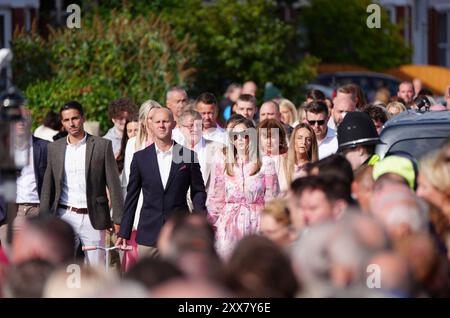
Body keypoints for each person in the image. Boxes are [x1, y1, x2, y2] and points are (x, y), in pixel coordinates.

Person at [39, 101, 124, 266]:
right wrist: (43, 218)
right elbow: (48, 187)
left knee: (97, 266)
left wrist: (118, 218)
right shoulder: (54, 148)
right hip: (64, 215)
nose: (71, 123)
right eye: (66, 120)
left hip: (93, 217)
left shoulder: (101, 146)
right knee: (64, 265)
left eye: (75, 118)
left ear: (83, 118)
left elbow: (114, 184)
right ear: (62, 123)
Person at [117, 108, 207, 259]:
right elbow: (132, 197)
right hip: (148, 234)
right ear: (150, 125)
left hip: (179, 233)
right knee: (148, 280)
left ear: (173, 124)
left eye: (165, 121)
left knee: (177, 281)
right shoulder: (140, 158)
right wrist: (124, 231)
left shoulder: (188, 156)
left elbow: (198, 191)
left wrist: (200, 222)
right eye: (157, 122)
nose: (161, 125)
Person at [207, 117, 279, 258]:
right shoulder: (223, 161)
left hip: (256, 221)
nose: (240, 139)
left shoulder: (266, 162)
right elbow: (216, 197)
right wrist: (212, 224)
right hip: (229, 223)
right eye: (235, 136)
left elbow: (272, 197)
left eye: (245, 135)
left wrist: (271, 224)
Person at [0, 107, 49, 253]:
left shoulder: (45, 147)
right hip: (10, 214)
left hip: (38, 210)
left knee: (38, 257)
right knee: (9, 260)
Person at [257, 119, 289, 192]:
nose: (269, 141)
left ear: (280, 138)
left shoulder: (288, 159)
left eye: (273, 137)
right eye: (265, 137)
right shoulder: (256, 160)